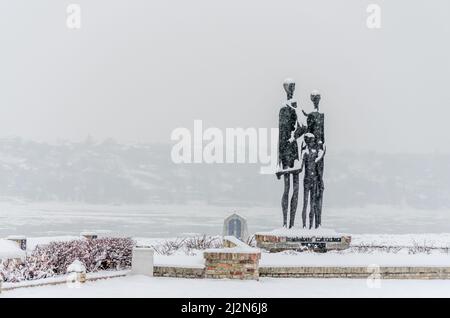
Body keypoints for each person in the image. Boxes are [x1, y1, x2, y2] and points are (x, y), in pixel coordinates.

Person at [278, 79, 307, 228]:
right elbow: (279, 133)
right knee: (287, 188)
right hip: (285, 151)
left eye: (293, 87)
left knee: (295, 188)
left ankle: (291, 224)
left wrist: (295, 136)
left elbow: (304, 127)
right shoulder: (283, 109)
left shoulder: (296, 108)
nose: (292, 90)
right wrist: (278, 162)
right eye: (290, 87)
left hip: (294, 150)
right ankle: (285, 224)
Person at [300, 133, 323, 229]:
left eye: (313, 141)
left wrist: (320, 180)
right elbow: (300, 167)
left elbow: (318, 160)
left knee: (312, 204)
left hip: (313, 180)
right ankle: (304, 226)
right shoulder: (305, 153)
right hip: (307, 180)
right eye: (311, 141)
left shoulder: (315, 153)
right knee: (305, 204)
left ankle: (310, 226)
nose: (312, 143)